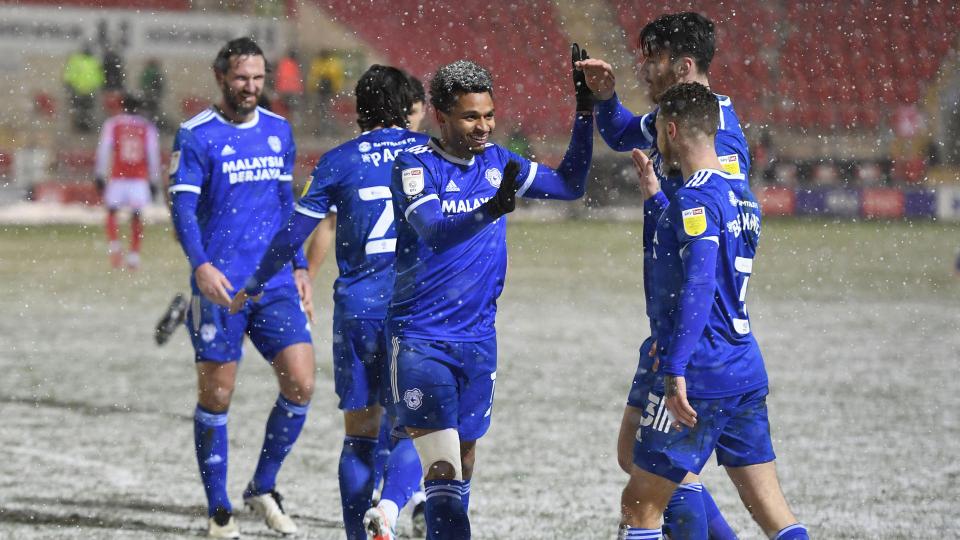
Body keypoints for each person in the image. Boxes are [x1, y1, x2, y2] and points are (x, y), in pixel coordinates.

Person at [386, 56, 593, 539]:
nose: (483, 127)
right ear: (441, 116)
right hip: (422, 338)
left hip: (479, 338)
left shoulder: (499, 161)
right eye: (470, 117)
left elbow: (570, 185)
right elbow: (434, 231)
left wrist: (586, 113)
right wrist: (490, 210)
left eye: (488, 115)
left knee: (464, 456)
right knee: (441, 466)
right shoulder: (415, 165)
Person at [229, 64, 429, 540]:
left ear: (360, 109)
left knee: (359, 434)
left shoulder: (339, 161)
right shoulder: (430, 153)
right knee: (415, 427)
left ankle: (358, 535)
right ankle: (391, 507)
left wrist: (256, 281)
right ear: (406, 107)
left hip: (360, 309)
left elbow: (292, 234)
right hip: (417, 308)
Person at [577, 12, 747, 538]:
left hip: (695, 330)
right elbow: (621, 132)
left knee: (654, 477)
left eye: (654, 59)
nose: (644, 69)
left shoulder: (717, 136)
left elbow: (721, 231)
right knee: (637, 456)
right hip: (671, 320)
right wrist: (605, 98)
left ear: (684, 66)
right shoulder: (674, 117)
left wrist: (683, 338)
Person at [619, 81, 808, 540]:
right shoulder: (742, 196)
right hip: (743, 364)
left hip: (701, 368)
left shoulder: (695, 197)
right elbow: (705, 258)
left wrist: (676, 368)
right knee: (772, 511)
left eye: (658, 131)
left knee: (641, 504)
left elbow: (701, 282)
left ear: (671, 129)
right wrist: (655, 200)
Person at [167, 37, 315, 539]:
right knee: (217, 396)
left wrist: (299, 265)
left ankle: (262, 486)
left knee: (301, 383)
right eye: (241, 78)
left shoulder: (278, 130)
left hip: (273, 281)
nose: (250, 87)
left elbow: (285, 202)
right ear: (220, 78)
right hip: (222, 286)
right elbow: (183, 209)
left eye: (257, 77)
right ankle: (219, 510)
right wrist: (201, 266)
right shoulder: (196, 135)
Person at [94, 93, 160, 269]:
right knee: (136, 215)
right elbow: (152, 154)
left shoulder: (113, 124)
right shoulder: (147, 127)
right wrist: (154, 179)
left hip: (119, 176)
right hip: (138, 178)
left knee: (111, 211)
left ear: (122, 106)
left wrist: (100, 174)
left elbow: (104, 150)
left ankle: (114, 246)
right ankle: (134, 255)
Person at [63, 44, 104, 132]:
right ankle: (80, 126)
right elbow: (70, 74)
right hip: (79, 90)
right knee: (80, 110)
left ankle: (86, 127)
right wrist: (69, 85)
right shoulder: (78, 60)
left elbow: (99, 75)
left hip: (88, 91)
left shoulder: (93, 61)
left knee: (87, 110)